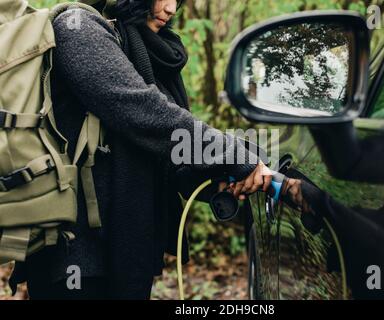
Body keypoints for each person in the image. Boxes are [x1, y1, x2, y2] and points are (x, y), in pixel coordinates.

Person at [8, 0, 272, 300]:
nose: (171, 8)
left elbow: (159, 151)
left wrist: (219, 175)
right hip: (76, 256)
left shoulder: (138, 46)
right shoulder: (78, 28)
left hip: (125, 245)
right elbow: (145, 113)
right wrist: (235, 156)